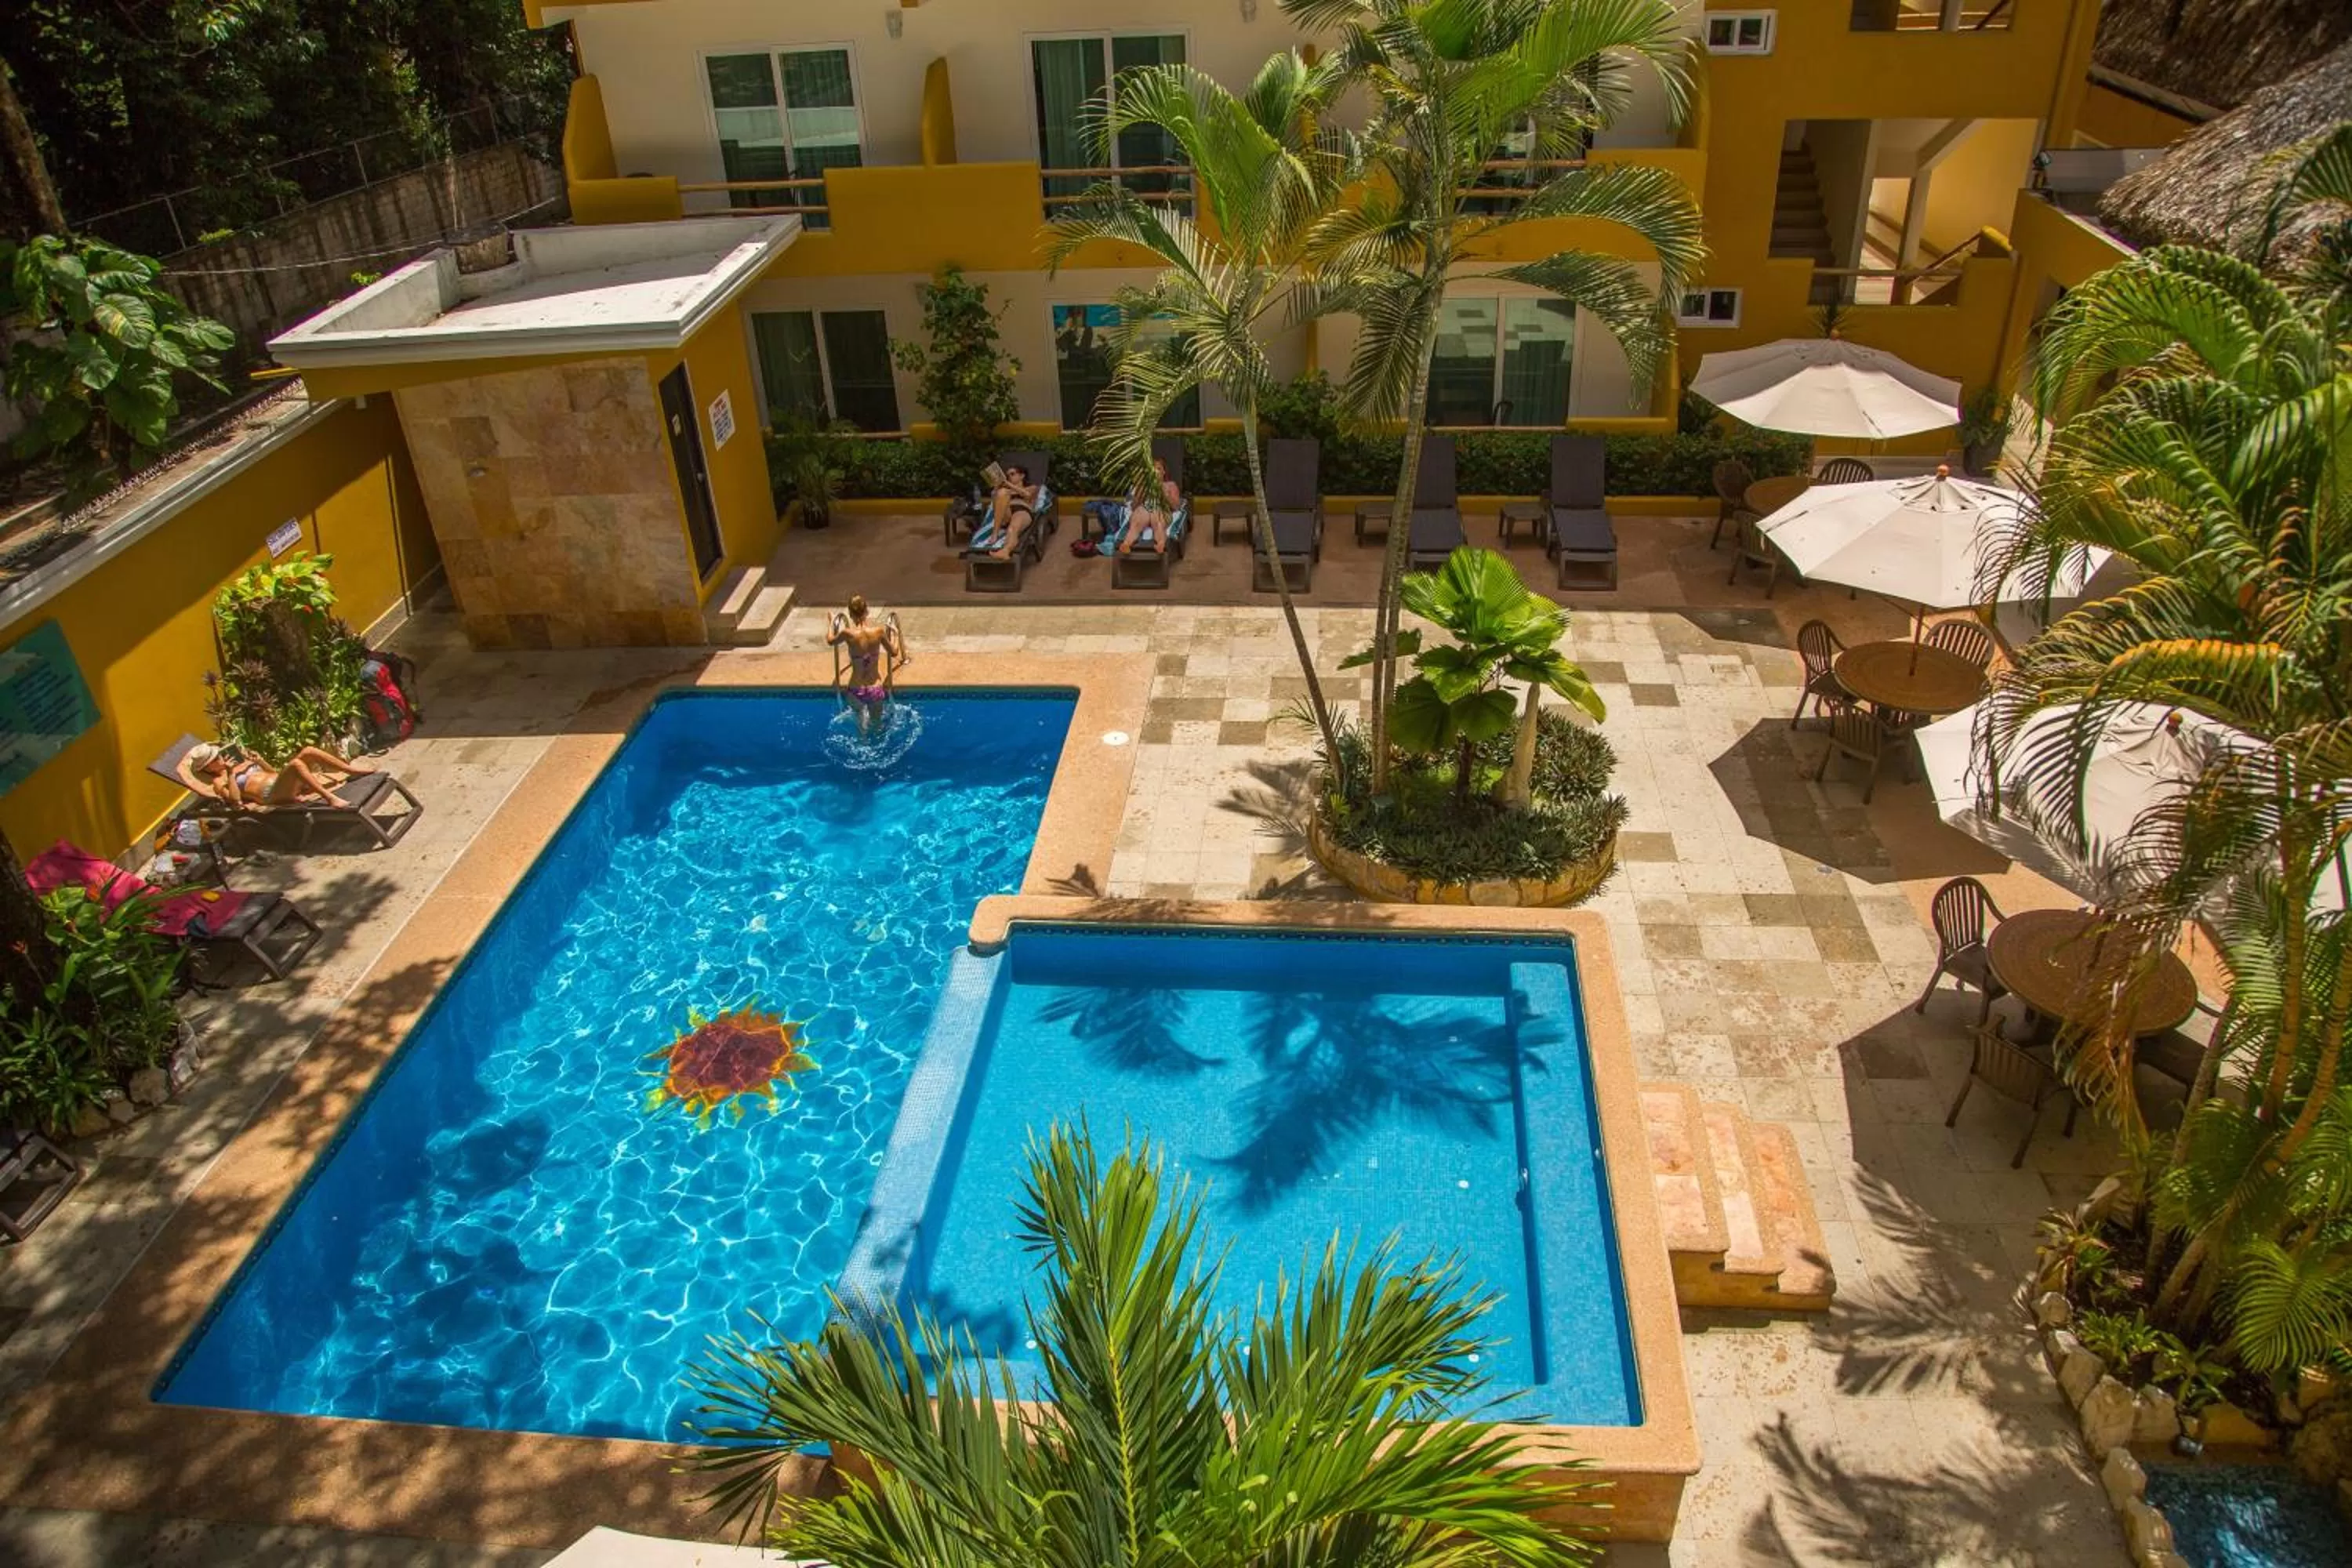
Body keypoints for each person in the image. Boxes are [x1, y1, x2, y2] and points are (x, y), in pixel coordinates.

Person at [186, 740, 375, 808]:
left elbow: (273, 773)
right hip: (272, 796)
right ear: (207, 768)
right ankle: (331, 799)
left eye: (218, 754)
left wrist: (259, 761)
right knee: (295, 764)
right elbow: (236, 802)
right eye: (214, 759)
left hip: (281, 783)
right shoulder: (220, 782)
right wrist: (229, 773)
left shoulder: (238, 764)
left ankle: (351, 770)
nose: (219, 758)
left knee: (308, 751)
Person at [828, 594, 906, 735]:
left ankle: (862, 743)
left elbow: (830, 641)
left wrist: (831, 622)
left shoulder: (847, 633)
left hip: (855, 690)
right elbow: (894, 652)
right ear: (867, 611)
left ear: (850, 614)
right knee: (877, 726)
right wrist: (895, 634)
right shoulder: (879, 632)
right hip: (875, 689)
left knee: (861, 725)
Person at [1115, 455, 1183, 557]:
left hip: (1161, 508)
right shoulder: (1143, 485)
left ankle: (1160, 544)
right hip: (1145, 508)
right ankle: (1126, 544)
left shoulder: (1170, 485)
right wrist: (1141, 490)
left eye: (1159, 468)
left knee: (1159, 522)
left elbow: (1176, 506)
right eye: (1152, 469)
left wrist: (1165, 493)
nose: (1155, 471)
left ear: (1164, 472)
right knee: (1137, 521)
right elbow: (1134, 506)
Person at [985, 464, 1040, 560]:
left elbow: (1027, 495)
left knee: (1012, 529)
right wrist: (996, 489)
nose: (1009, 477)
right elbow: (995, 504)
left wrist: (1008, 484)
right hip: (1006, 512)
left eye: (1012, 474)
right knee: (1002, 493)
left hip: (1022, 510)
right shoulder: (1005, 490)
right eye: (1007, 475)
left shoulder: (1032, 487)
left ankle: (1005, 551)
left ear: (1022, 476)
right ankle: (995, 533)